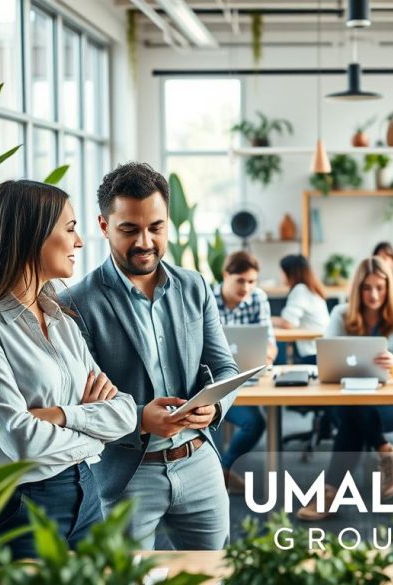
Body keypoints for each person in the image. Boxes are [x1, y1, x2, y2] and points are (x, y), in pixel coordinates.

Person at [0, 180, 137, 559]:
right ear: (30, 236)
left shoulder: (61, 320)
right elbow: (21, 440)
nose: (79, 242)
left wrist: (60, 415)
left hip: (85, 493)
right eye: (69, 229)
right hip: (18, 505)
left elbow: (124, 414)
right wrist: (94, 435)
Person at [61, 162, 238, 550]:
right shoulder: (75, 304)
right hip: (126, 475)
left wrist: (215, 408)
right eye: (129, 229)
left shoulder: (194, 286)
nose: (145, 241)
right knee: (126, 576)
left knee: (215, 573)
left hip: (199, 462)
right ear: (104, 226)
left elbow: (225, 366)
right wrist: (141, 418)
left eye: (156, 227)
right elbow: (81, 405)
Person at [297, 257, 393, 521]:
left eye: (380, 287)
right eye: (367, 288)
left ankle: (329, 493)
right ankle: (386, 452)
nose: (374, 295)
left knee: (352, 417)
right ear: (357, 289)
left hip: (389, 407)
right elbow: (325, 357)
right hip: (345, 403)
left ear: (389, 287)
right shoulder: (341, 314)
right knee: (353, 408)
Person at [213, 250, 274, 492]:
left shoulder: (258, 298)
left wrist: (267, 353)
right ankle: (215, 473)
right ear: (226, 275)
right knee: (209, 420)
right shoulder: (207, 298)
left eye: (251, 281)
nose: (246, 288)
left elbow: (270, 343)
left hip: (248, 380)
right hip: (214, 382)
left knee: (255, 423)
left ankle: (222, 470)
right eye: (240, 280)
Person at [271, 254, 330, 365]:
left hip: (313, 353)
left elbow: (288, 323)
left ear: (290, 273)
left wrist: (269, 319)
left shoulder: (300, 290)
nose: (280, 276)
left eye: (281, 272)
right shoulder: (310, 290)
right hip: (321, 351)